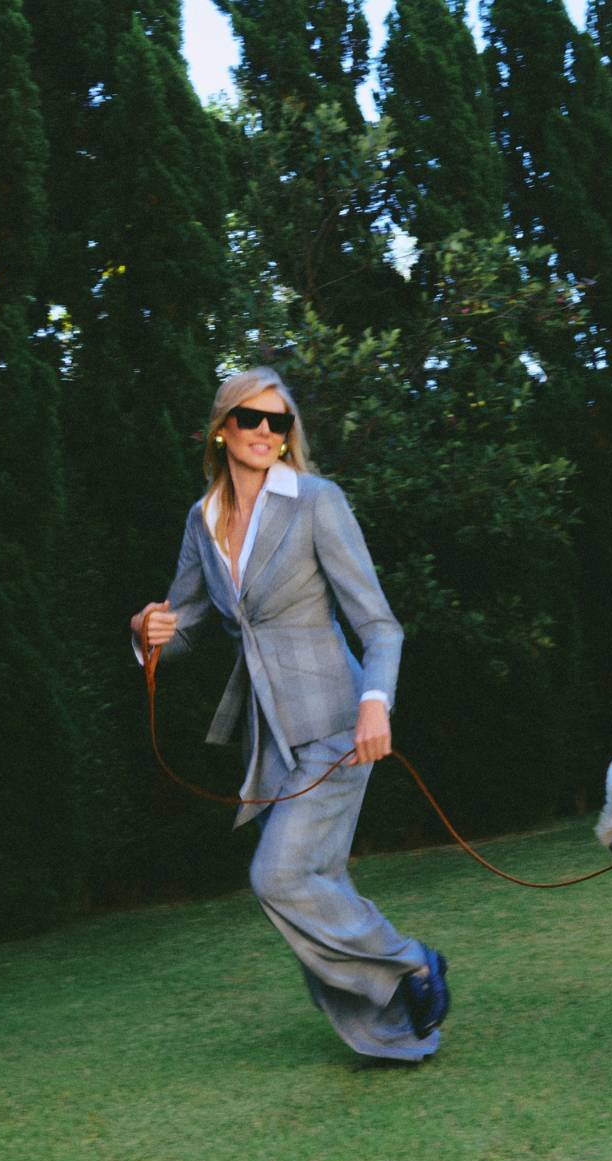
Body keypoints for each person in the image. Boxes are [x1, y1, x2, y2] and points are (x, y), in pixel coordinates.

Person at [130, 366, 449, 1064]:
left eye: (280, 422)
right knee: (314, 884)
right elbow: (184, 627)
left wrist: (376, 704)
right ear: (223, 426)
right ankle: (396, 1032)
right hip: (268, 735)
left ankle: (413, 966)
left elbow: (380, 624)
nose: (268, 433)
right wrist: (148, 635)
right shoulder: (203, 519)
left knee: (278, 877)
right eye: (253, 419)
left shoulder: (315, 502)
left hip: (339, 720)